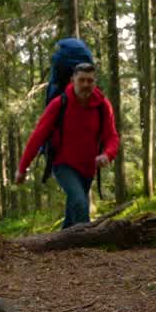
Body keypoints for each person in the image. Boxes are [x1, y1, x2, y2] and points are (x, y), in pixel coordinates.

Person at [15, 62, 120, 228]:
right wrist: (22, 168)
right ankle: (88, 248)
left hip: (88, 168)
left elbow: (112, 136)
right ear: (73, 80)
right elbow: (37, 136)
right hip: (63, 165)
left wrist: (107, 154)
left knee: (72, 215)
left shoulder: (102, 106)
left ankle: (61, 247)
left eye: (90, 81)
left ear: (95, 81)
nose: (86, 85)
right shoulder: (59, 104)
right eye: (82, 80)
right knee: (80, 203)